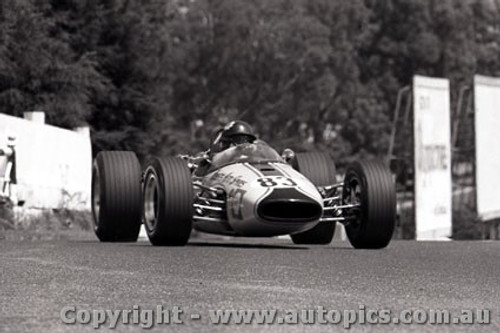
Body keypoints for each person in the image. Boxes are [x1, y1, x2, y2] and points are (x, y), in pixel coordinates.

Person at [185, 121, 257, 175]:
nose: (243, 145)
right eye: (239, 140)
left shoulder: (254, 161)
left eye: (246, 141)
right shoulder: (206, 160)